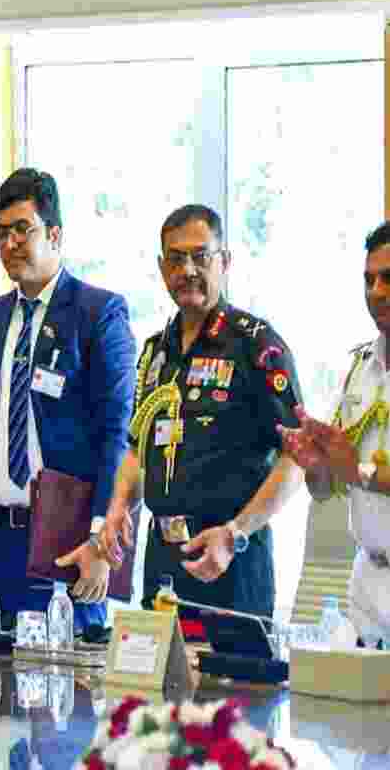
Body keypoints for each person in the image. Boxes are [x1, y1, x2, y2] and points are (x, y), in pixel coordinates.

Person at [0, 168, 136, 630]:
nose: (11, 243)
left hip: (70, 540)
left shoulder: (98, 313)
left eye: (23, 229)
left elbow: (118, 434)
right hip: (0, 543)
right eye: (2, 233)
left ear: (54, 234)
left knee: (70, 696)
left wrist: (101, 535)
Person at [101, 204, 303, 617]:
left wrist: (236, 533)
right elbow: (138, 448)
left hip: (231, 564)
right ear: (162, 268)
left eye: (200, 256)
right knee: (155, 681)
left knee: (234, 684)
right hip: (164, 562)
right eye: (176, 259)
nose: (188, 269)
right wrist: (118, 506)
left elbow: (296, 459)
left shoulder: (257, 345)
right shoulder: (156, 351)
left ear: (224, 261)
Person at [280, 221, 390, 645]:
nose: (376, 291)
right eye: (368, 279)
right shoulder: (362, 368)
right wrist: (317, 468)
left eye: (388, 278)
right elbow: (329, 489)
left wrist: (357, 469)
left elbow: (356, 470)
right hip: (367, 585)